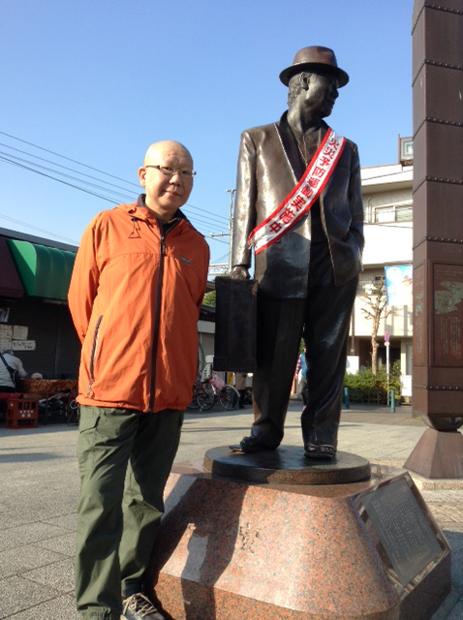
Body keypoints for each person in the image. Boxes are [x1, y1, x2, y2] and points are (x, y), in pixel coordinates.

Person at [68, 140, 209, 620]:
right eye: (168, 170)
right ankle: (95, 609)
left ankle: (131, 591)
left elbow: (186, 316)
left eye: (187, 173)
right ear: (142, 174)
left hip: (168, 396)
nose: (177, 180)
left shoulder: (197, 245)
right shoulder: (107, 226)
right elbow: (81, 305)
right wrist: (108, 358)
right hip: (109, 391)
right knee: (99, 505)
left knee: (146, 503)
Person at [230, 46, 364, 460]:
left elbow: (355, 211)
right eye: (332, 84)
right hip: (279, 264)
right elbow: (243, 206)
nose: (337, 95)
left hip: (333, 266)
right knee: (275, 355)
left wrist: (353, 252)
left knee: (328, 356)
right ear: (303, 82)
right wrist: (239, 263)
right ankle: (266, 430)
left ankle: (322, 435)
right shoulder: (257, 138)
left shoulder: (345, 149)